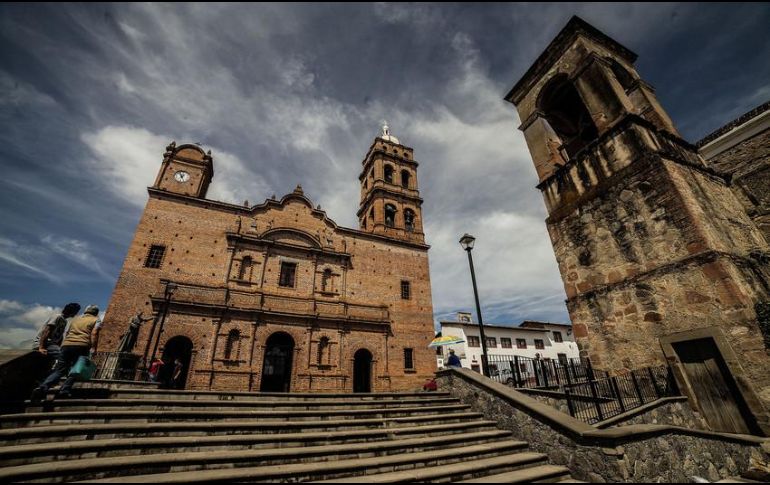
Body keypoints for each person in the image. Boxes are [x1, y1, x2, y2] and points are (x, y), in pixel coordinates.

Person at [31, 304, 102, 401]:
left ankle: (43, 387)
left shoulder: (76, 319)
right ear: (96, 312)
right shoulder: (96, 320)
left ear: (86, 311)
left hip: (66, 345)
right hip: (82, 345)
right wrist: (93, 347)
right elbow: (94, 333)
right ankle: (64, 390)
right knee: (76, 369)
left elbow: (68, 332)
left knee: (60, 370)